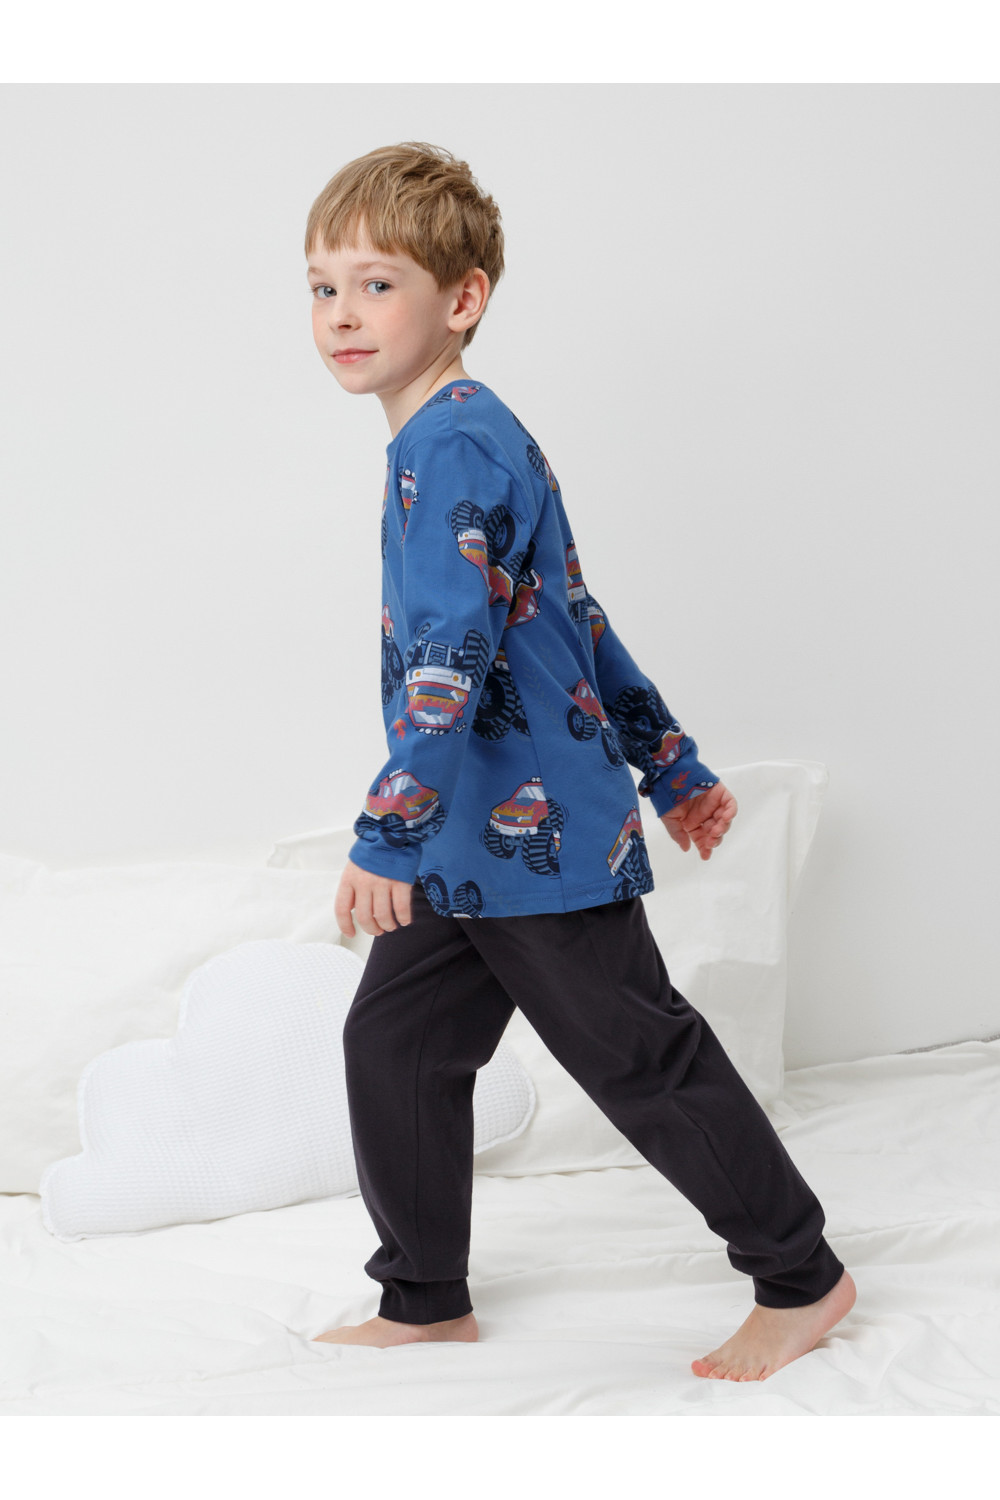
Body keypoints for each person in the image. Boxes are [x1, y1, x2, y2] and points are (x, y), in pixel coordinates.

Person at [304, 142, 856, 1381]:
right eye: (323, 286)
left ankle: (800, 1277)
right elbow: (570, 622)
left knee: (637, 1057)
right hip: (469, 837)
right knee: (396, 1044)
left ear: (462, 299)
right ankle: (423, 1297)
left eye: (377, 285)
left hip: (531, 835)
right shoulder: (460, 438)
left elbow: (451, 652)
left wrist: (387, 830)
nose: (341, 314)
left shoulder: (453, 446)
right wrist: (671, 762)